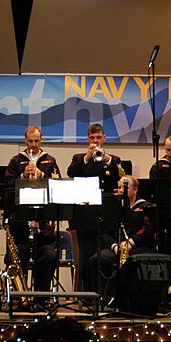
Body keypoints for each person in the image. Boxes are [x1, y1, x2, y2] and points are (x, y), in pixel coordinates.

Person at [3, 126, 59, 300]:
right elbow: (7, 187)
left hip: (42, 229)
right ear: (25, 140)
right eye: (30, 141)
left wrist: (42, 175)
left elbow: (58, 185)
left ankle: (42, 298)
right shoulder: (16, 160)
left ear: (41, 140)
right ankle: (20, 298)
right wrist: (21, 176)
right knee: (15, 254)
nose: (33, 144)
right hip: (21, 229)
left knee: (49, 254)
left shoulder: (50, 160)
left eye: (36, 141)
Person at [66, 123, 123, 291]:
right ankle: (87, 294)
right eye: (92, 138)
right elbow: (71, 172)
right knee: (85, 255)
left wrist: (107, 159)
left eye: (99, 138)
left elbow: (119, 175)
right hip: (85, 215)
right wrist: (87, 157)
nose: (96, 141)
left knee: (103, 255)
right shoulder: (79, 158)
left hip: (107, 215)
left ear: (104, 138)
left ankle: (104, 292)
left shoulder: (114, 160)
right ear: (87, 139)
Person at [89, 175, 157, 298]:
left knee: (136, 261)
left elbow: (149, 229)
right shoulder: (112, 208)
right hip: (117, 248)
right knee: (97, 259)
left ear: (135, 190)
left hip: (138, 247)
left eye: (124, 187)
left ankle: (135, 298)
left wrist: (131, 242)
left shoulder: (145, 206)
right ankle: (103, 298)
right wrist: (113, 245)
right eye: (119, 187)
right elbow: (102, 232)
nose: (120, 190)